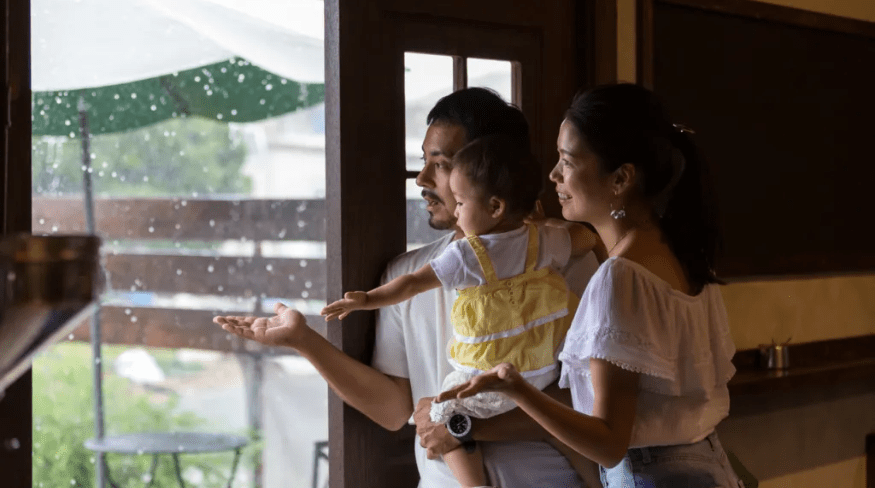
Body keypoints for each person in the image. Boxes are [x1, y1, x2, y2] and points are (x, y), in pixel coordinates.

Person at [214, 87, 602, 488]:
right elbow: (393, 408)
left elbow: (589, 404)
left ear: (490, 174)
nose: (421, 178)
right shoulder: (408, 272)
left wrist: (461, 424)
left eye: (441, 164)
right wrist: (303, 340)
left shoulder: (558, 264)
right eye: (424, 161)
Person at [435, 83, 745, 488]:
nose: (554, 175)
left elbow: (609, 443)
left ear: (621, 179)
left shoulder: (621, 278)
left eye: (567, 160)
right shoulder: (685, 258)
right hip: (708, 468)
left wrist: (517, 389)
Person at [320, 133, 600, 488]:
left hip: (508, 406)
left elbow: (413, 283)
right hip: (538, 366)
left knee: (442, 413)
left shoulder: (467, 256)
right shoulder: (543, 243)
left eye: (440, 164)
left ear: (494, 202)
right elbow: (587, 239)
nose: (423, 179)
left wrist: (366, 299)